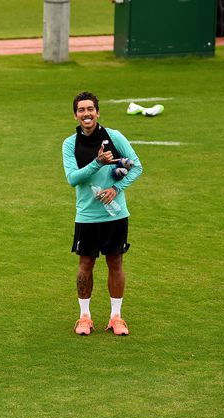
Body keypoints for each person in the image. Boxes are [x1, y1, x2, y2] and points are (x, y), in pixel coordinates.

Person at [61, 92, 143, 336]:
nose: (86, 114)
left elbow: (137, 167)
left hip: (115, 215)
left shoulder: (114, 137)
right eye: (81, 110)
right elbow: (72, 179)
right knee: (85, 263)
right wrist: (97, 163)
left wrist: (116, 188)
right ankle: (84, 317)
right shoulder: (70, 144)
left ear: (98, 112)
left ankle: (116, 317)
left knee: (115, 262)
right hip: (87, 215)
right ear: (75, 115)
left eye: (90, 109)